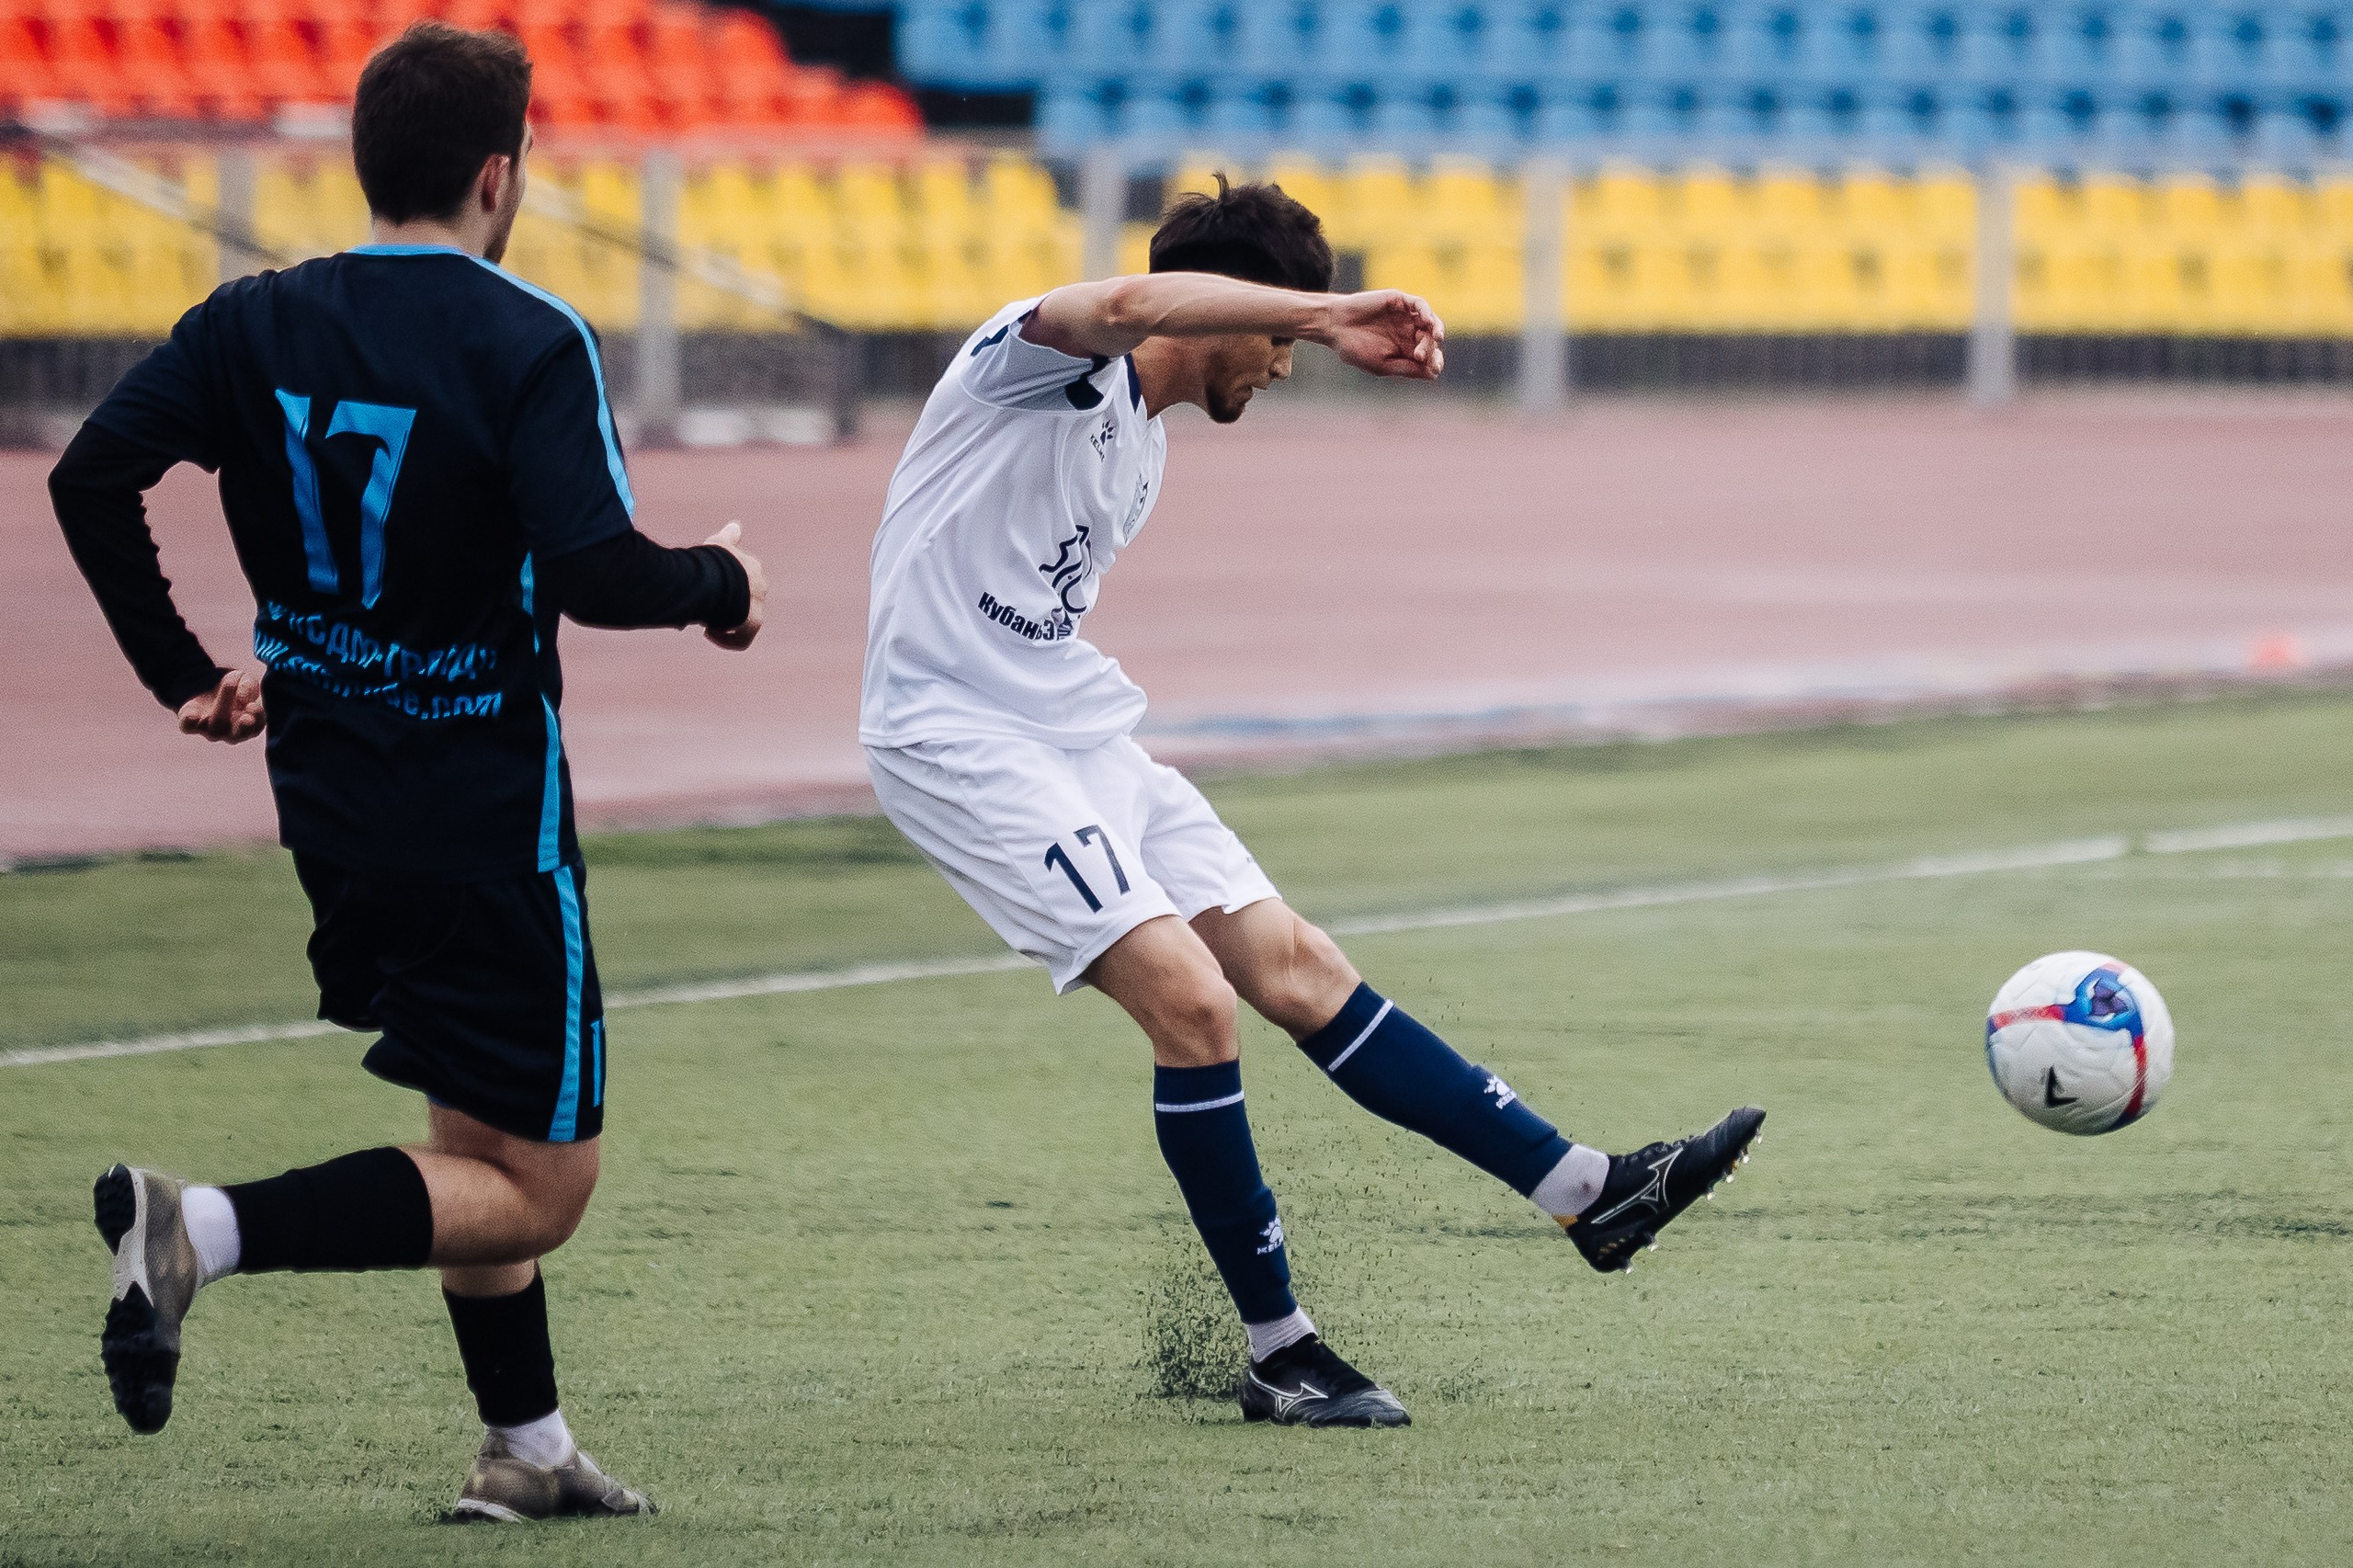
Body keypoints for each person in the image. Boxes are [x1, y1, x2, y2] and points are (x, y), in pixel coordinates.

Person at [861, 178, 1764, 1428]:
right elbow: (1127, 299)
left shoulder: (1147, 444)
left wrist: (1313, 319)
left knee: (1293, 961)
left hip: (1074, 729)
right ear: (1225, 306)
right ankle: (1282, 1350)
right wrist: (1333, 309)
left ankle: (1588, 1190)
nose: (1286, 363)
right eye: (1276, 338)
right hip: (954, 733)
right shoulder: (1030, 366)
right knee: (1191, 999)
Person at [49, 21, 763, 1520]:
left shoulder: (253, 319)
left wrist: (184, 671)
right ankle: (204, 1230)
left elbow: (88, 474)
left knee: (469, 1139)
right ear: (500, 175)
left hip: (328, 793)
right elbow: (594, 566)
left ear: (367, 163)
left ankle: (529, 1444)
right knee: (543, 1187)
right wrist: (719, 583)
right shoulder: (526, 335)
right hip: (487, 811)